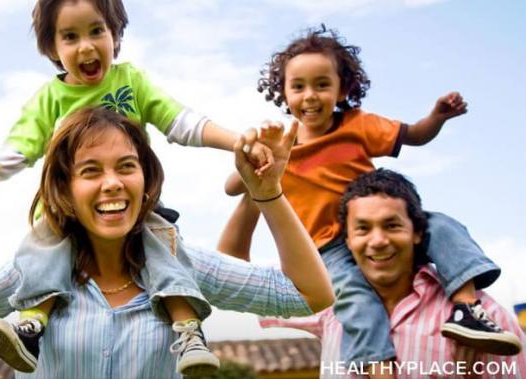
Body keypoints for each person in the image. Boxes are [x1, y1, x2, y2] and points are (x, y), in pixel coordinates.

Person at [0, 107, 334, 379]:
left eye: (126, 166)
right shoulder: (32, 274)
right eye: (91, 171)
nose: (112, 184)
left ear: (146, 178)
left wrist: (268, 193)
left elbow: (308, 295)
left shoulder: (181, 264)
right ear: (66, 190)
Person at [0, 0, 273, 374]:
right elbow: (22, 147)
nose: (87, 46)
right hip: (66, 215)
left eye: (97, 30)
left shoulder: (131, 81)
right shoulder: (48, 100)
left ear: (116, 35)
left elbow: (181, 121)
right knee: (43, 253)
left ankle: (189, 333)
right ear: (52, 48)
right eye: (70, 36)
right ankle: (31, 328)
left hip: (132, 213)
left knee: (163, 246)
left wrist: (238, 141)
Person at [220, 24, 518, 377]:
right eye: (298, 87)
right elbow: (233, 186)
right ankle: (377, 363)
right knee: (353, 295)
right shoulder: (283, 143)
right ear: (283, 92)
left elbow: (416, 135)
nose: (310, 96)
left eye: (322, 84)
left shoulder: (358, 125)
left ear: (342, 88)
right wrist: (258, 158)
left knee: (444, 225)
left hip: (370, 220)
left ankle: (467, 307)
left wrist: (437, 117)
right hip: (327, 246)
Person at [260, 169, 525, 378]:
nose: (377, 240)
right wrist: (260, 190)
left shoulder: (489, 323)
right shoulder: (329, 304)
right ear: (348, 240)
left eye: (392, 225)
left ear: (418, 232)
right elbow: (231, 277)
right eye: (362, 229)